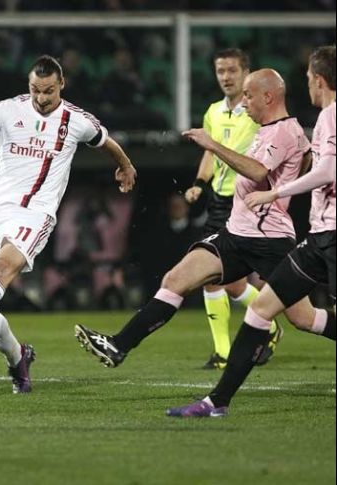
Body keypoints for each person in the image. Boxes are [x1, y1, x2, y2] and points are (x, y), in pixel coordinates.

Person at [0, 55, 137, 394]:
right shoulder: (8, 110)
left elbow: (105, 141)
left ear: (61, 84)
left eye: (48, 91)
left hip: (35, 214)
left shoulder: (76, 120)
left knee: (0, 270)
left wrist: (126, 166)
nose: (41, 98)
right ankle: (19, 358)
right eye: (35, 90)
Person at [75, 69, 318, 379]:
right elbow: (307, 160)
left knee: (304, 318)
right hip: (235, 233)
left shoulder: (284, 130)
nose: (243, 102)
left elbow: (258, 171)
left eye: (248, 95)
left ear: (268, 96)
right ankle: (117, 345)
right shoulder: (273, 130)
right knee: (175, 279)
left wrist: (213, 144)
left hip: (269, 239)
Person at [166, 45, 336, 418]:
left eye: (308, 77)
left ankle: (217, 401)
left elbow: (326, 172)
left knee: (294, 315)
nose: (305, 83)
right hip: (320, 235)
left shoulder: (330, 117)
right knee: (264, 310)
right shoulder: (323, 118)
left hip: (330, 234)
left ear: (319, 80)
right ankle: (217, 402)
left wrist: (276, 191)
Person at [184, 48, 282, 370]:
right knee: (211, 277)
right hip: (218, 200)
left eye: (231, 71)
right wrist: (200, 181)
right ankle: (224, 351)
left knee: (228, 277)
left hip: (247, 200)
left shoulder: (256, 111)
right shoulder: (213, 112)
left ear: (245, 73)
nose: (225, 77)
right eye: (220, 71)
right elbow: (211, 154)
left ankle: (266, 323)